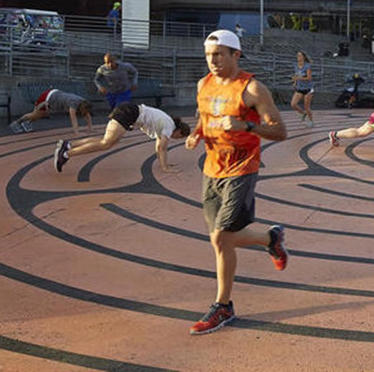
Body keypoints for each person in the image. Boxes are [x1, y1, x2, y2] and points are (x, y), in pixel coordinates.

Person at [183, 28, 288, 335]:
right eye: (208, 55)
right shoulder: (203, 84)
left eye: (218, 55)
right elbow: (204, 116)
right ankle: (271, 239)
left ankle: (223, 306)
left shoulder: (253, 89)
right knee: (222, 240)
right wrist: (196, 133)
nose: (212, 61)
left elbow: (280, 131)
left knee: (220, 239)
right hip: (212, 169)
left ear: (235, 55)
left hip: (242, 167)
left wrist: (245, 125)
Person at [53, 101, 190, 173]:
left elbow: (158, 146)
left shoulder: (166, 122)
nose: (175, 139)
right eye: (178, 138)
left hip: (129, 111)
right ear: (179, 132)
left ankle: (68, 145)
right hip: (129, 113)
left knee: (106, 141)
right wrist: (165, 168)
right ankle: (65, 154)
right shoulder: (169, 126)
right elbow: (162, 147)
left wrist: (163, 164)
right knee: (106, 144)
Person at [10, 88, 93, 134]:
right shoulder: (73, 104)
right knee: (35, 114)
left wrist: (90, 128)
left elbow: (87, 114)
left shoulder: (83, 102)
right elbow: (73, 119)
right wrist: (76, 132)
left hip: (54, 95)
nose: (85, 114)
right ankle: (16, 123)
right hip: (47, 98)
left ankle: (27, 123)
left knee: (42, 114)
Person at [288, 50, 315, 124]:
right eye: (297, 55)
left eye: (299, 55)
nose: (298, 57)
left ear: (303, 57)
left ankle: (311, 121)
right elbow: (297, 75)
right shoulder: (296, 65)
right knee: (293, 104)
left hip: (308, 89)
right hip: (300, 88)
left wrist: (299, 78)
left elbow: (309, 78)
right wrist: (295, 82)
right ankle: (303, 114)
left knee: (306, 107)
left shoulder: (307, 66)